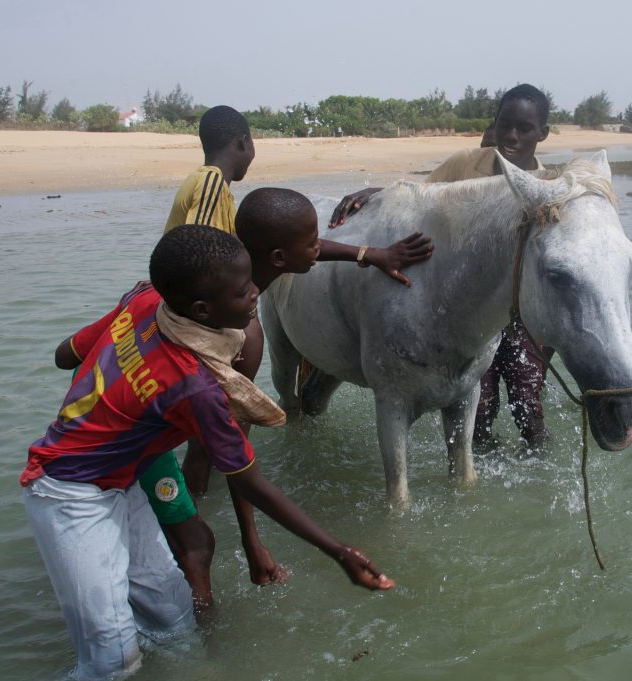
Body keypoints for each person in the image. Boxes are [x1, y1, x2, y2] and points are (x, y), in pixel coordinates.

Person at [26, 225, 394, 680]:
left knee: (172, 614)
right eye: (243, 292)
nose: (256, 292)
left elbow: (66, 355)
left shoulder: (144, 302)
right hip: (68, 492)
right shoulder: (194, 385)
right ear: (203, 310)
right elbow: (249, 481)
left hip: (121, 481)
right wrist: (338, 551)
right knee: (110, 658)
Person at [134, 105, 432, 605]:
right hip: (133, 454)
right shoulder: (213, 200)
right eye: (312, 242)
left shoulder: (225, 277)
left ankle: (191, 516)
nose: (317, 247)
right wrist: (259, 544)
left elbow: (292, 250)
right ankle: (195, 554)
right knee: (197, 515)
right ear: (244, 144)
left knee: (201, 460)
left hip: (131, 439)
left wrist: (370, 255)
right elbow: (241, 458)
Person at [328, 84, 552, 449]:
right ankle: (482, 467)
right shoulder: (468, 163)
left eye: (524, 129)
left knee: (527, 401)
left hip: (518, 313)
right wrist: (377, 195)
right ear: (494, 123)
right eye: (504, 124)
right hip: (467, 313)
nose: (511, 136)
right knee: (480, 410)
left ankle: (539, 483)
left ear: (542, 133)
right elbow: (423, 196)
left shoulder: (546, 189)